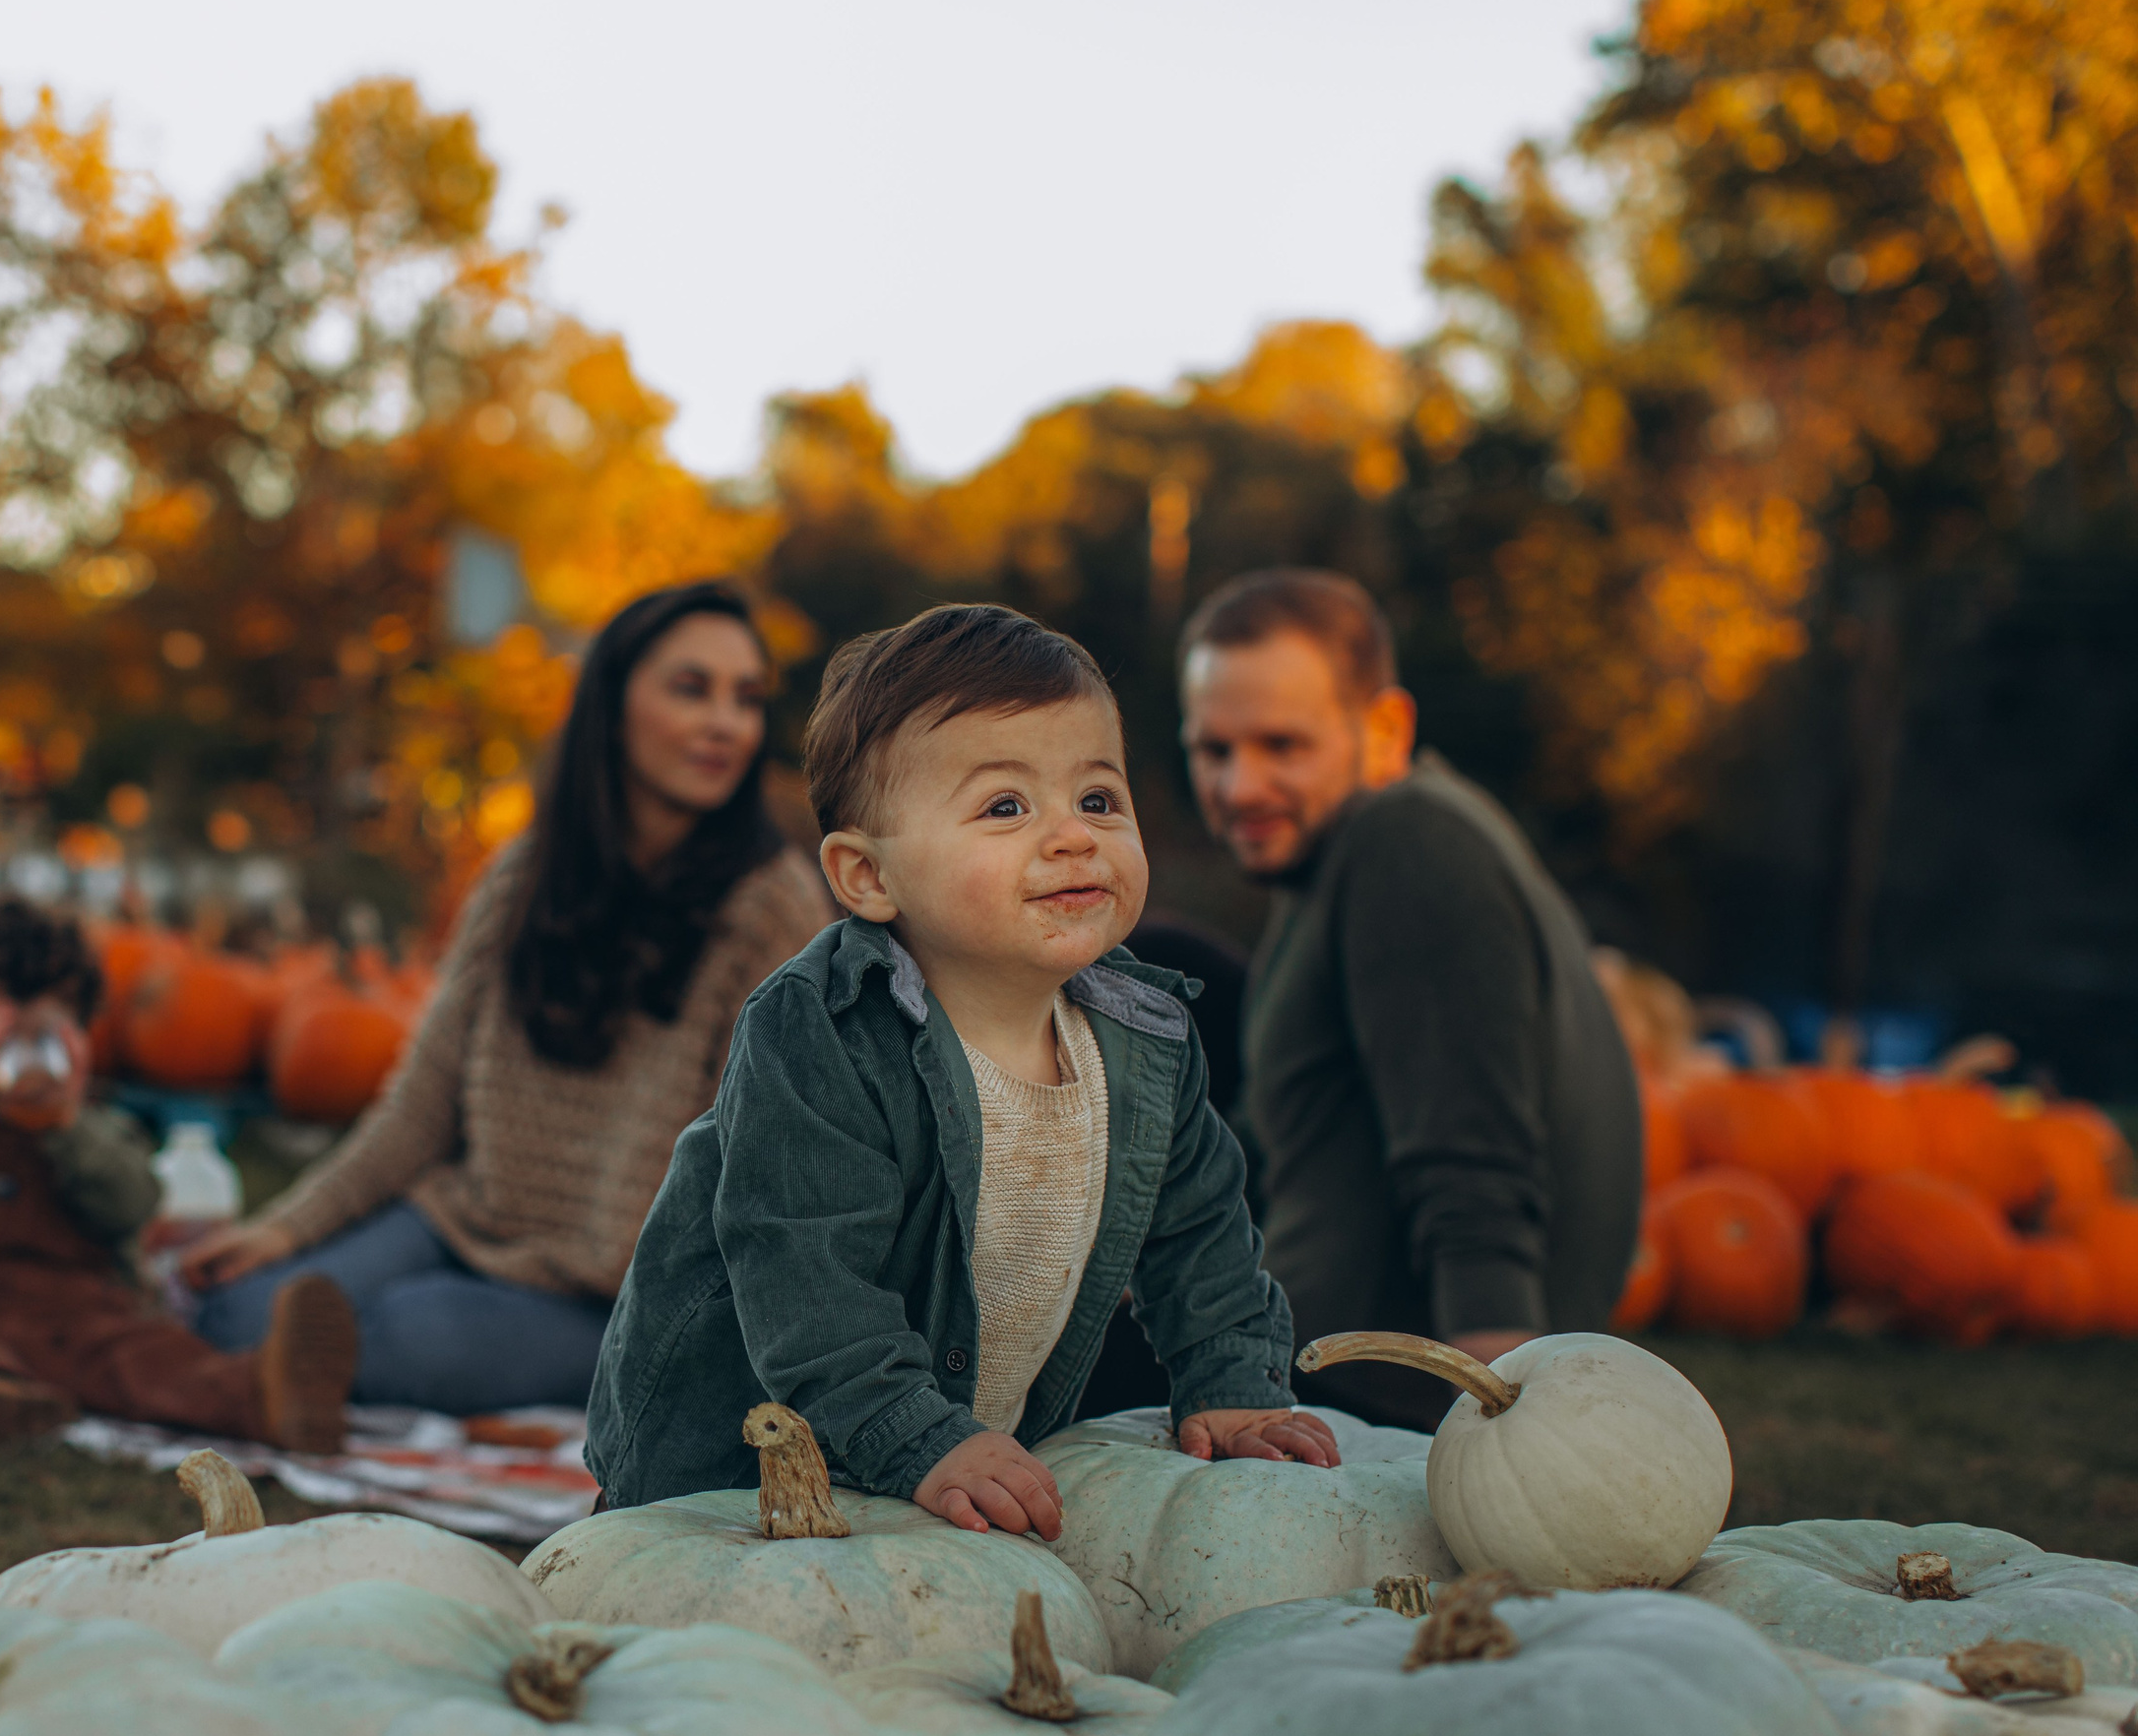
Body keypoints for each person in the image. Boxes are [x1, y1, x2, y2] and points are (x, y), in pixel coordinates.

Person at [586, 602, 1338, 1528]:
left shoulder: (1145, 1037)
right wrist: (919, 1436)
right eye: (1006, 807)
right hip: (735, 1478)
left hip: (952, 1461)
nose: (1074, 837)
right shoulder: (822, 1033)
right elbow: (809, 1282)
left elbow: (1202, 1233)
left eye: (1098, 799)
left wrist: (1230, 1375)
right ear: (868, 878)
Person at [182, 581, 833, 1415]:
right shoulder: (524, 875)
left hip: (611, 1292)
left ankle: (309, 1373)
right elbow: (421, 1104)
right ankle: (292, 1362)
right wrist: (287, 1227)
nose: (725, 724)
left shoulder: (770, 903)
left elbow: (764, 1163)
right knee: (239, 1304)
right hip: (460, 1222)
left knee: (412, 1331)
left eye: (745, 699)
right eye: (690, 688)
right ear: (611, 702)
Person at [1178, 568, 1641, 1431]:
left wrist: (1508, 1425)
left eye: (1282, 745)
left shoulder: (1411, 847)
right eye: (1214, 749)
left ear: (1385, 728)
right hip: (1305, 1358)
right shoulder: (1337, 861)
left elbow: (1471, 1159)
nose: (1240, 787)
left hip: (1350, 1395)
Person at [0, 899, 356, 1448]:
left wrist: (65, 1125)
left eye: (48, 1025)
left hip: (71, 1316)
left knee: (145, 1354)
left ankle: (265, 1392)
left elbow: (132, 1203)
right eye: (2, 1017)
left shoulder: (94, 1126)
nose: (24, 1046)